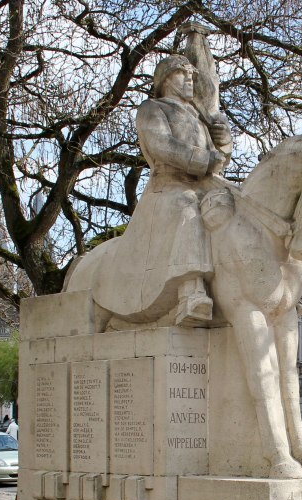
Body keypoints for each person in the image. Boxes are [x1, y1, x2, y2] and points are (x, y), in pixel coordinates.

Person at [92, 49, 233, 327]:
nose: (191, 80)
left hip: (205, 185)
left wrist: (224, 140)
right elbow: (163, 146)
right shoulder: (152, 109)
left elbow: (220, 158)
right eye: (184, 74)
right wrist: (205, 159)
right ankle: (191, 292)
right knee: (188, 206)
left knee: (237, 210)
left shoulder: (199, 117)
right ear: (166, 78)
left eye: (193, 75)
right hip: (168, 188)